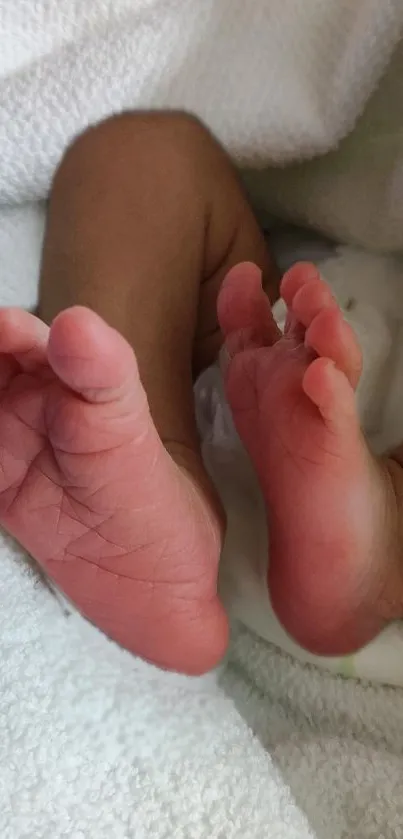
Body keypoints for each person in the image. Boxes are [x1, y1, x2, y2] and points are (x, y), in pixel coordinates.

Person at [0, 111, 401, 675]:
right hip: (273, 334)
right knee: (141, 157)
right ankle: (157, 489)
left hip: (308, 369)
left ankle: (371, 557)